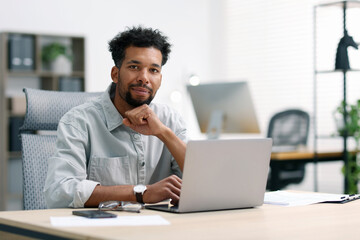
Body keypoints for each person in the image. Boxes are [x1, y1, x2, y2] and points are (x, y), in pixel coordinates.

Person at [44, 26, 187, 208]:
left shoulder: (170, 119)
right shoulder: (78, 122)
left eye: (153, 70)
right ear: (115, 74)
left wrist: (164, 133)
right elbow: (59, 192)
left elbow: (202, 181)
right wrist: (142, 193)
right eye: (134, 67)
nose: (144, 78)